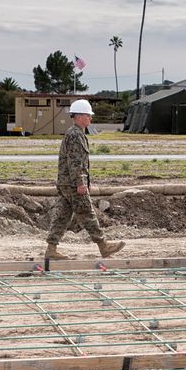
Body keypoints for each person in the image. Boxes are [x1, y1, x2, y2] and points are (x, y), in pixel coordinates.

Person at [44, 99, 125, 260]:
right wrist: (81, 183)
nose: (91, 118)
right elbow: (75, 162)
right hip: (73, 184)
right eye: (88, 115)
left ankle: (51, 249)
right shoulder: (75, 135)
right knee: (87, 213)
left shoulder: (75, 133)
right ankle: (104, 246)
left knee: (62, 216)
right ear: (79, 116)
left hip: (67, 183)